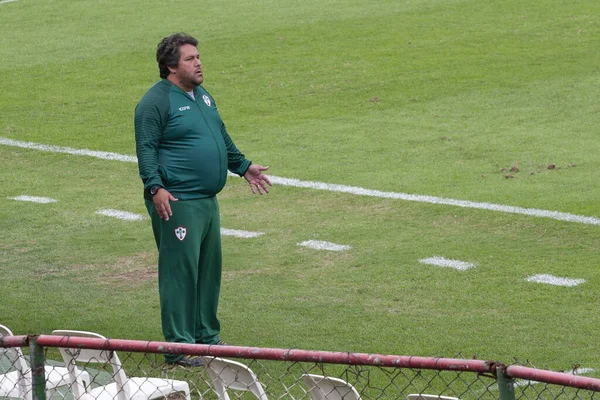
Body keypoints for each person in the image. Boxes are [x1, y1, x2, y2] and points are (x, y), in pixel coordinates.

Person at [134, 33, 272, 367]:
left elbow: (219, 135)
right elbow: (146, 148)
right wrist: (155, 188)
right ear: (171, 65)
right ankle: (179, 347)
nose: (198, 63)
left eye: (198, 57)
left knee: (208, 273)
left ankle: (207, 339)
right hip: (177, 202)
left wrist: (243, 166)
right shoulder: (154, 103)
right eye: (190, 59)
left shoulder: (202, 96)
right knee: (180, 275)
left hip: (207, 202)